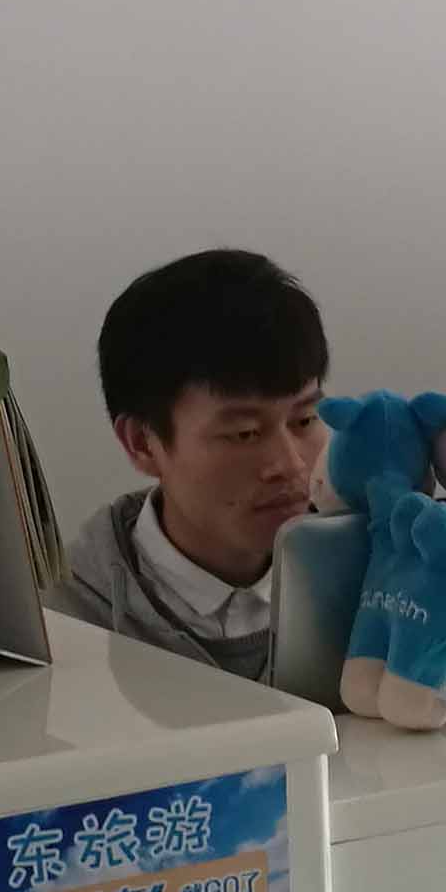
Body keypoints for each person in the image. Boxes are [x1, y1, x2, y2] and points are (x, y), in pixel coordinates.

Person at [57, 249, 330, 677]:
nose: (291, 464)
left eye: (305, 419)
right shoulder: (63, 624)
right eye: (244, 433)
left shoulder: (377, 576)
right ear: (143, 443)